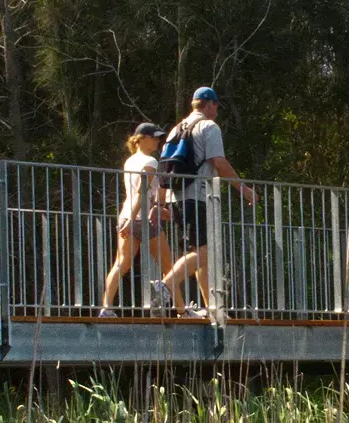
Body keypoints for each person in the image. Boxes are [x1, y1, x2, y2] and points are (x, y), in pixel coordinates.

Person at [164, 86, 256, 318]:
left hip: (176, 197)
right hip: (197, 196)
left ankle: (213, 308)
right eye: (216, 105)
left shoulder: (176, 128)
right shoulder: (209, 126)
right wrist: (242, 188)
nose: (217, 110)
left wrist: (160, 202)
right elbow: (219, 162)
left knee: (198, 251)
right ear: (209, 104)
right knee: (204, 253)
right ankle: (165, 285)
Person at [99, 123, 174, 316]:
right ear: (141, 139)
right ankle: (181, 310)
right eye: (154, 137)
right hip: (141, 219)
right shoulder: (151, 162)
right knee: (169, 267)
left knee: (121, 263)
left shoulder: (130, 161)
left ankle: (106, 307)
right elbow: (142, 194)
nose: (157, 141)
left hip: (128, 216)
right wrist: (132, 220)